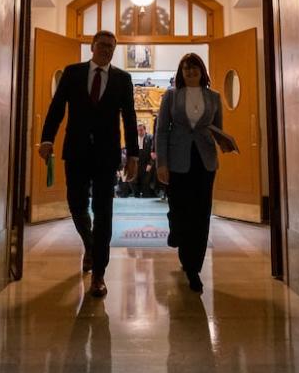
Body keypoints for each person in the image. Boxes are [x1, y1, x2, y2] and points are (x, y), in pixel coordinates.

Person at [38, 30, 138, 298]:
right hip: (77, 151)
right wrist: (47, 138)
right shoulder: (73, 73)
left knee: (104, 212)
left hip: (107, 155)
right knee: (76, 203)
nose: (107, 50)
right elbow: (57, 108)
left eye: (111, 47)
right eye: (103, 45)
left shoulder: (122, 79)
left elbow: (129, 117)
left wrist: (134, 156)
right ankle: (90, 245)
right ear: (92, 47)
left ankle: (99, 275)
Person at [155, 53, 222, 293]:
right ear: (181, 73)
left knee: (201, 213)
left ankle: (194, 268)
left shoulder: (214, 97)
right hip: (177, 160)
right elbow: (162, 130)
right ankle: (177, 231)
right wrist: (161, 163)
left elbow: (217, 129)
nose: (191, 72)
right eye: (186, 69)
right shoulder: (171, 96)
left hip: (204, 161)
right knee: (181, 210)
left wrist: (225, 141)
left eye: (195, 68)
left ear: (202, 71)